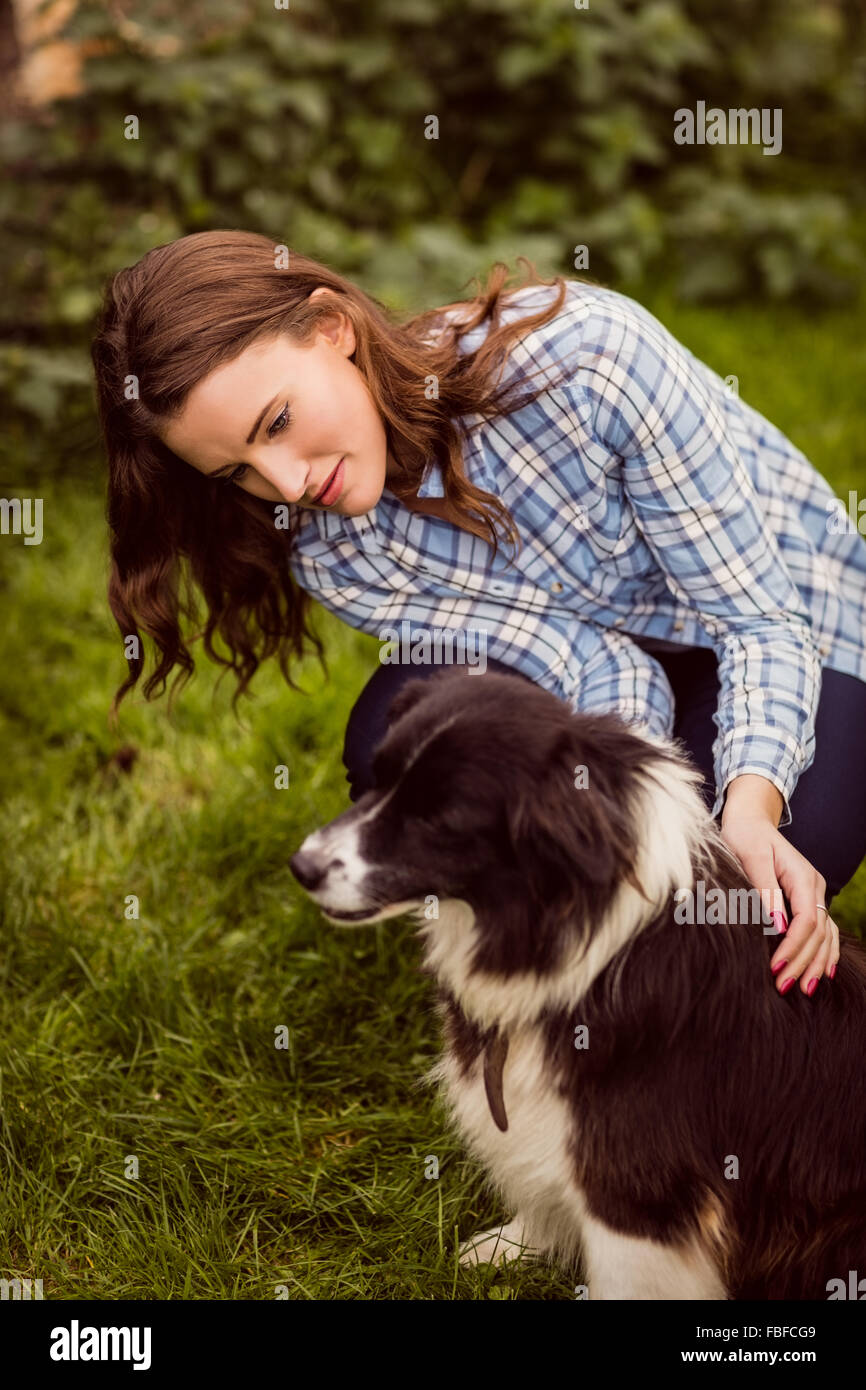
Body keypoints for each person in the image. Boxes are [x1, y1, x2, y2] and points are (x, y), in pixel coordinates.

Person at [91, 229, 866, 1000]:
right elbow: (589, 662)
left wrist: (746, 812)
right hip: (617, 650)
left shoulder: (587, 360)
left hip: (790, 619)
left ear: (332, 328)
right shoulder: (334, 551)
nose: (285, 483)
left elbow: (757, 621)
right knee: (391, 740)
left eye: (278, 422)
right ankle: (549, 951)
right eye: (239, 471)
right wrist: (623, 831)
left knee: (768, 860)